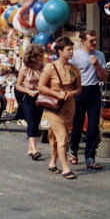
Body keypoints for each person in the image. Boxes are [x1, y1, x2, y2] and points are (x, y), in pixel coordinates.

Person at [38, 37, 81, 179]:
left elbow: (79, 89)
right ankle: (66, 168)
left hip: (69, 106)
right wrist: (57, 93)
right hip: (53, 107)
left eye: (72, 49)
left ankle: (52, 162)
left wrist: (70, 93)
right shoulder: (50, 67)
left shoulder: (74, 69)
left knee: (55, 135)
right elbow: (41, 87)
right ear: (60, 51)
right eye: (68, 49)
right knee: (63, 136)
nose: (71, 52)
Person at [68, 30, 108, 170]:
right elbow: (69, 73)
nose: (94, 43)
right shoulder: (76, 55)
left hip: (94, 90)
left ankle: (90, 157)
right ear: (83, 41)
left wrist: (97, 65)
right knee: (77, 124)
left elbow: (105, 77)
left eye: (96, 40)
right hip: (80, 90)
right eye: (91, 41)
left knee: (93, 126)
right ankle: (73, 149)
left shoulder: (100, 55)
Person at [15, 44, 45, 160]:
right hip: (29, 97)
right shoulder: (25, 68)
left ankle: (30, 149)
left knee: (36, 122)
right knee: (31, 121)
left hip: (41, 97)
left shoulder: (44, 67)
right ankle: (34, 149)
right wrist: (28, 91)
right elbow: (18, 86)